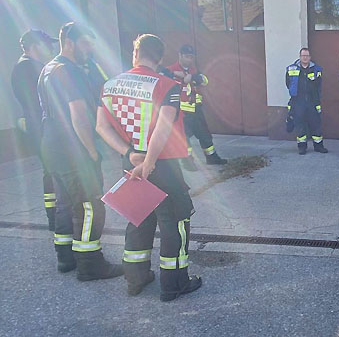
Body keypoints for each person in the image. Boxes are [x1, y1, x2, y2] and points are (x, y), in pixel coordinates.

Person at [96, 34, 202, 301]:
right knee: (174, 221)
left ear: (135, 53)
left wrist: (130, 154)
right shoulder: (167, 85)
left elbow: (101, 126)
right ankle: (173, 283)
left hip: (130, 163)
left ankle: (135, 278)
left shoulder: (110, 86)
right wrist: (149, 163)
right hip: (162, 165)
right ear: (161, 58)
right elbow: (164, 127)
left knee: (138, 219)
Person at [38, 22, 122, 279]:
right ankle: (90, 263)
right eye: (86, 43)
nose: (89, 50)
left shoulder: (49, 68)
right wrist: (92, 151)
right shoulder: (69, 71)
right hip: (73, 149)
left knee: (64, 203)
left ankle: (65, 257)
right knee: (89, 205)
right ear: (70, 42)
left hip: (52, 146)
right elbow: (79, 116)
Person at [11, 29, 58, 231]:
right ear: (35, 46)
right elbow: (37, 102)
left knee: (53, 172)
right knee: (52, 172)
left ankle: (57, 215)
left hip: (42, 127)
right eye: (47, 44)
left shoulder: (33, 66)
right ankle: (55, 218)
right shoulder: (26, 68)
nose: (51, 48)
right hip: (42, 128)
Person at [162, 44, 227, 170]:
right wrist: (178, 75)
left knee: (204, 134)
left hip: (196, 109)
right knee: (184, 137)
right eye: (187, 56)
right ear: (180, 55)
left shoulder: (193, 70)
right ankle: (187, 160)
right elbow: (163, 76)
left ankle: (211, 157)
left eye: (191, 57)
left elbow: (204, 80)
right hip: (182, 111)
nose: (189, 60)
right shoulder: (171, 70)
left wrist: (191, 77)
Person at [286, 47, 327, 155]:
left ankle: (318, 146)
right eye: (303, 56)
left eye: (307, 56)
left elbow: (319, 85)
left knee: (316, 124)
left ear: (310, 57)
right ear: (300, 57)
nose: (305, 58)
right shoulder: (291, 69)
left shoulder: (316, 70)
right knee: (300, 125)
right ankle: (302, 147)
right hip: (298, 102)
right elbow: (288, 83)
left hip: (312, 101)